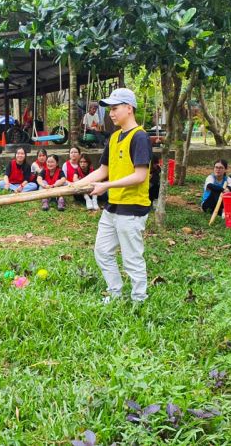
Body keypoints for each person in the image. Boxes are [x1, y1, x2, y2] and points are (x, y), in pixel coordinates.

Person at [74, 88, 151, 303]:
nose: (111, 113)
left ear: (129, 108)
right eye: (110, 109)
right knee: (102, 251)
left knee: (132, 259)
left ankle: (139, 300)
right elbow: (102, 170)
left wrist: (106, 186)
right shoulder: (115, 137)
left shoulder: (140, 137)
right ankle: (115, 293)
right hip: (113, 206)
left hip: (132, 207)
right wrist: (74, 184)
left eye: (115, 108)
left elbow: (140, 175)